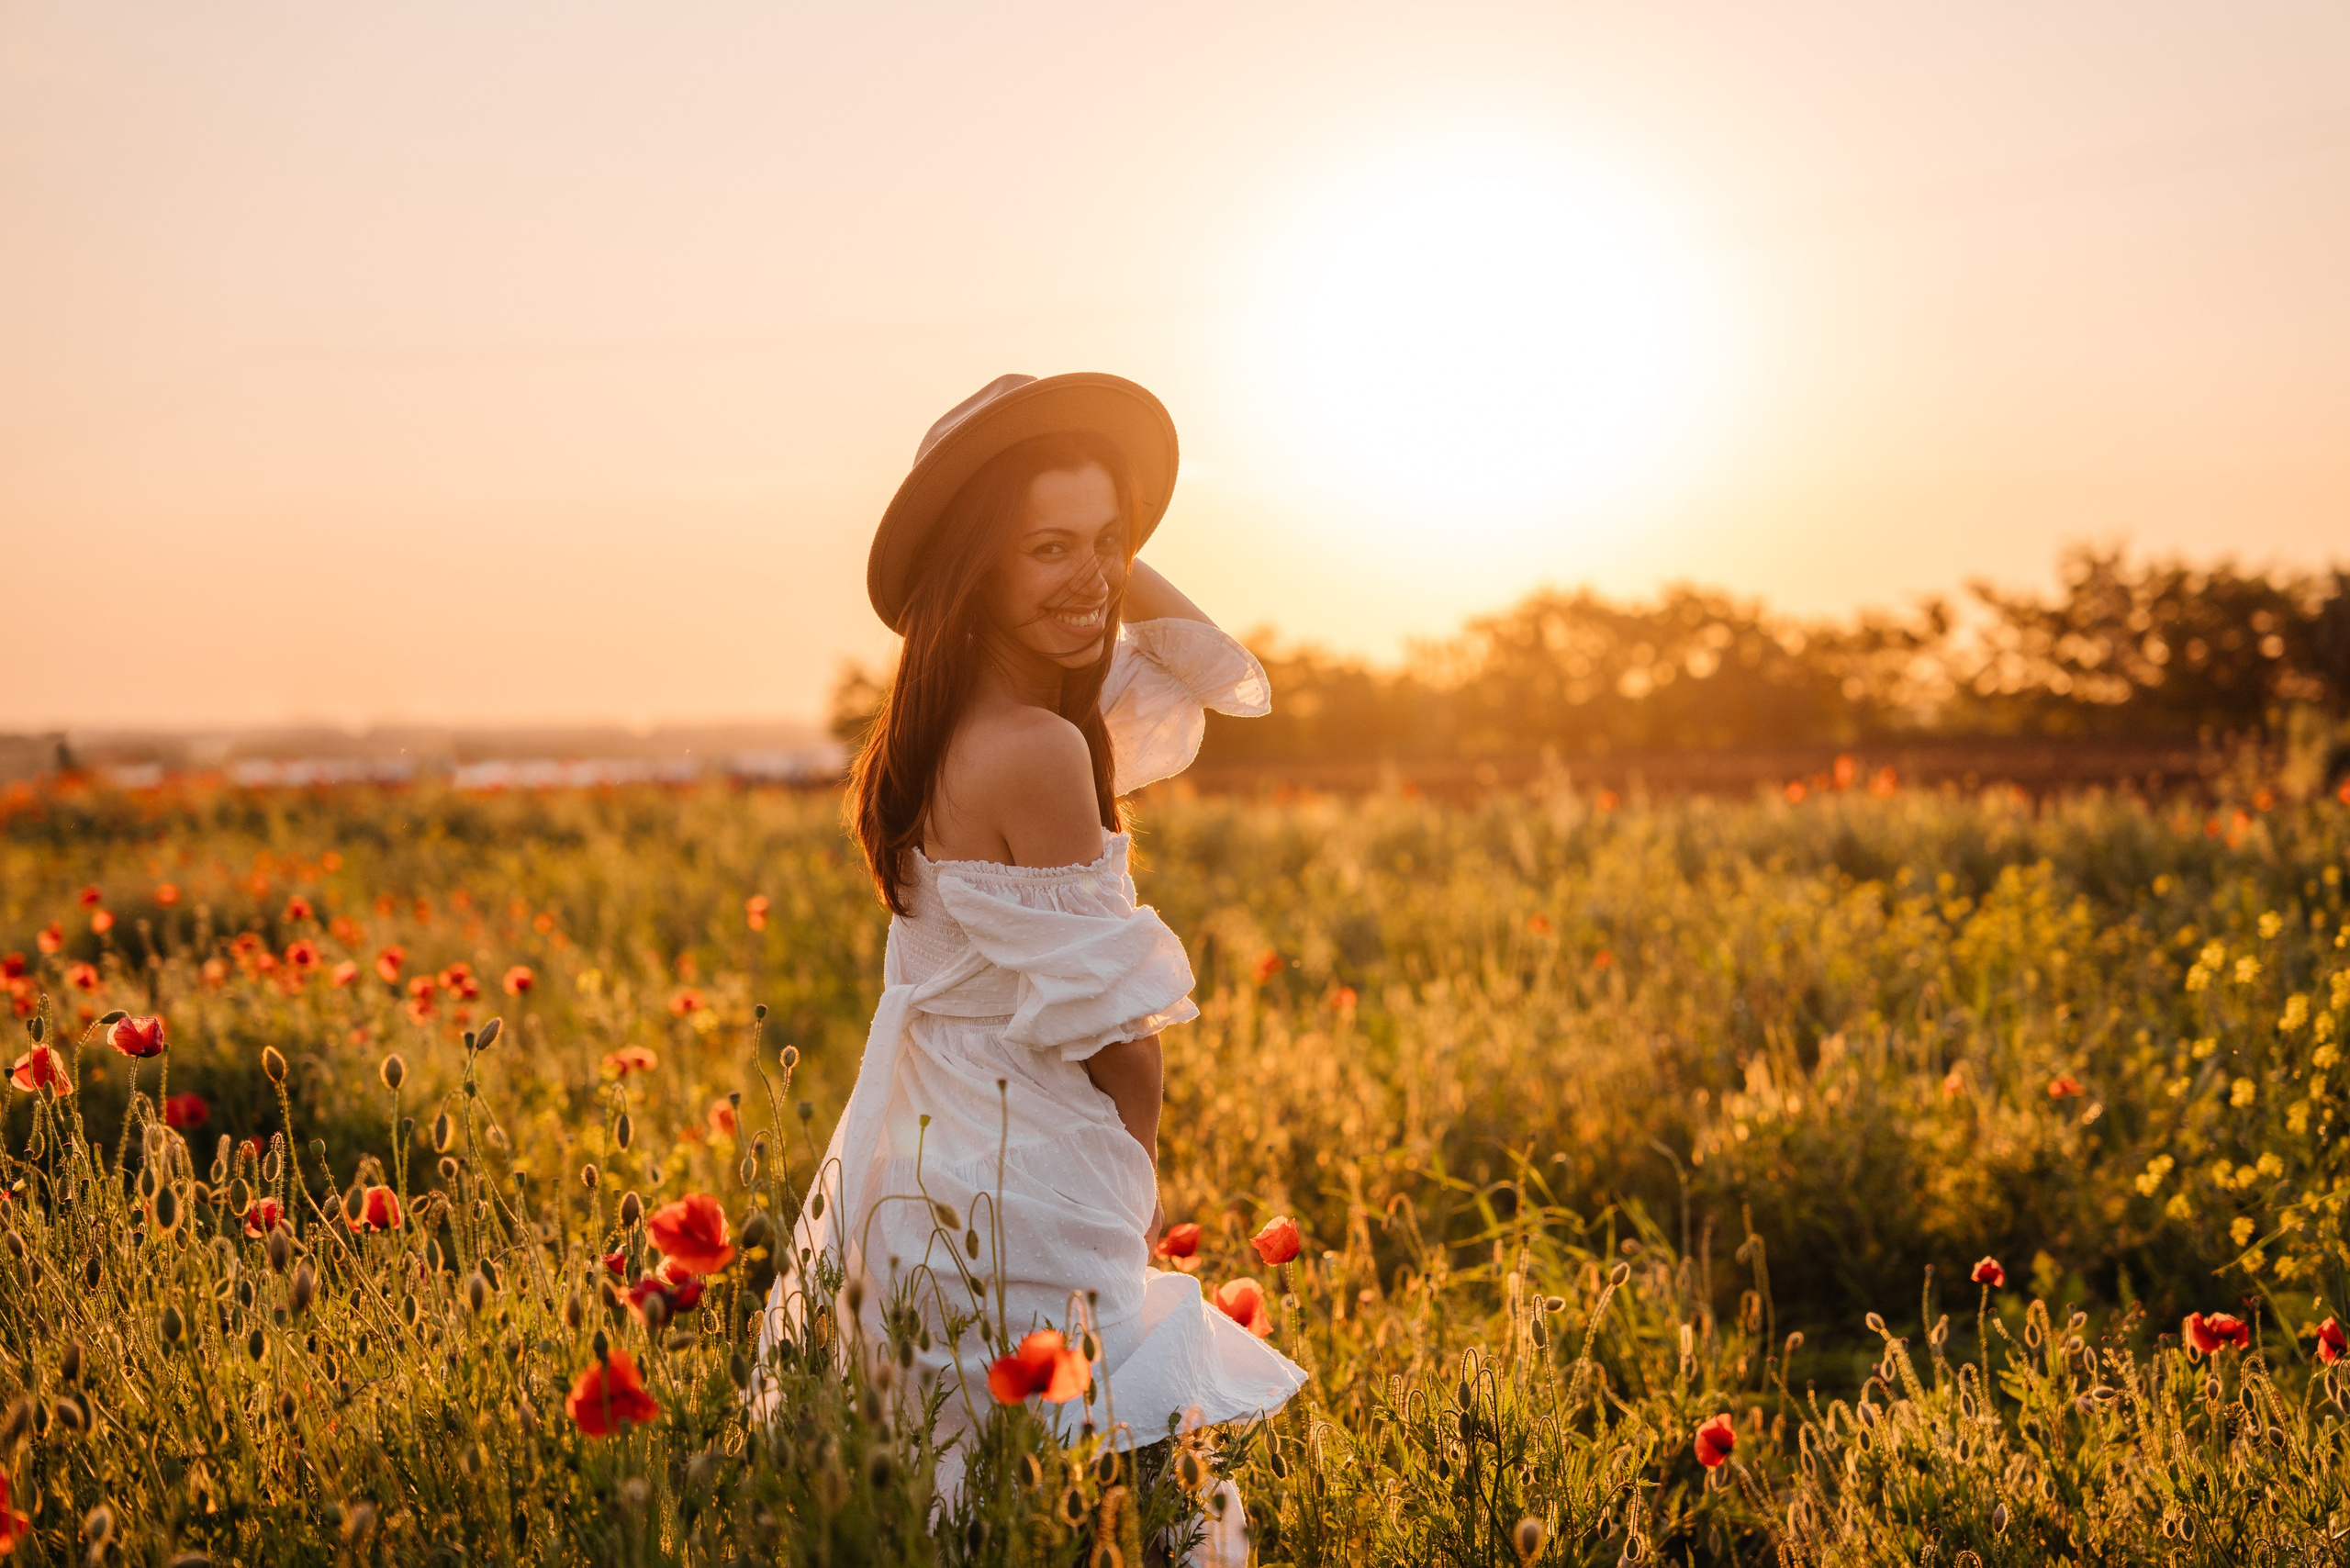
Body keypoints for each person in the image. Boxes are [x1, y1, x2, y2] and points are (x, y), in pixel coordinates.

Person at [767, 373, 1304, 1556]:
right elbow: (1124, 1035)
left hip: (921, 1157)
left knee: (962, 1497)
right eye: (1043, 547)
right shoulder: (1038, 750)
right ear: (976, 569)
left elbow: (1219, 673)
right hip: (1024, 1171)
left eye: (1107, 544)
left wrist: (1105, 540)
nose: (1091, 578)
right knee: (1089, 1504)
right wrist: (1126, 1175)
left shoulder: (953, 724)